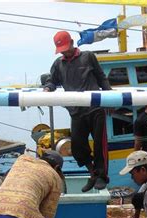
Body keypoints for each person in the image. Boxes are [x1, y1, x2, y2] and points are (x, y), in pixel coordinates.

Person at [43, 30, 112, 192]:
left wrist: (109, 98)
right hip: (76, 110)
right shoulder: (58, 64)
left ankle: (102, 176)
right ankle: (93, 172)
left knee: (100, 144)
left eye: (67, 48)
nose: (65, 52)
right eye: (62, 50)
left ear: (72, 43)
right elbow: (51, 81)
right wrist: (47, 89)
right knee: (78, 147)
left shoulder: (88, 57)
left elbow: (102, 78)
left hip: (95, 108)